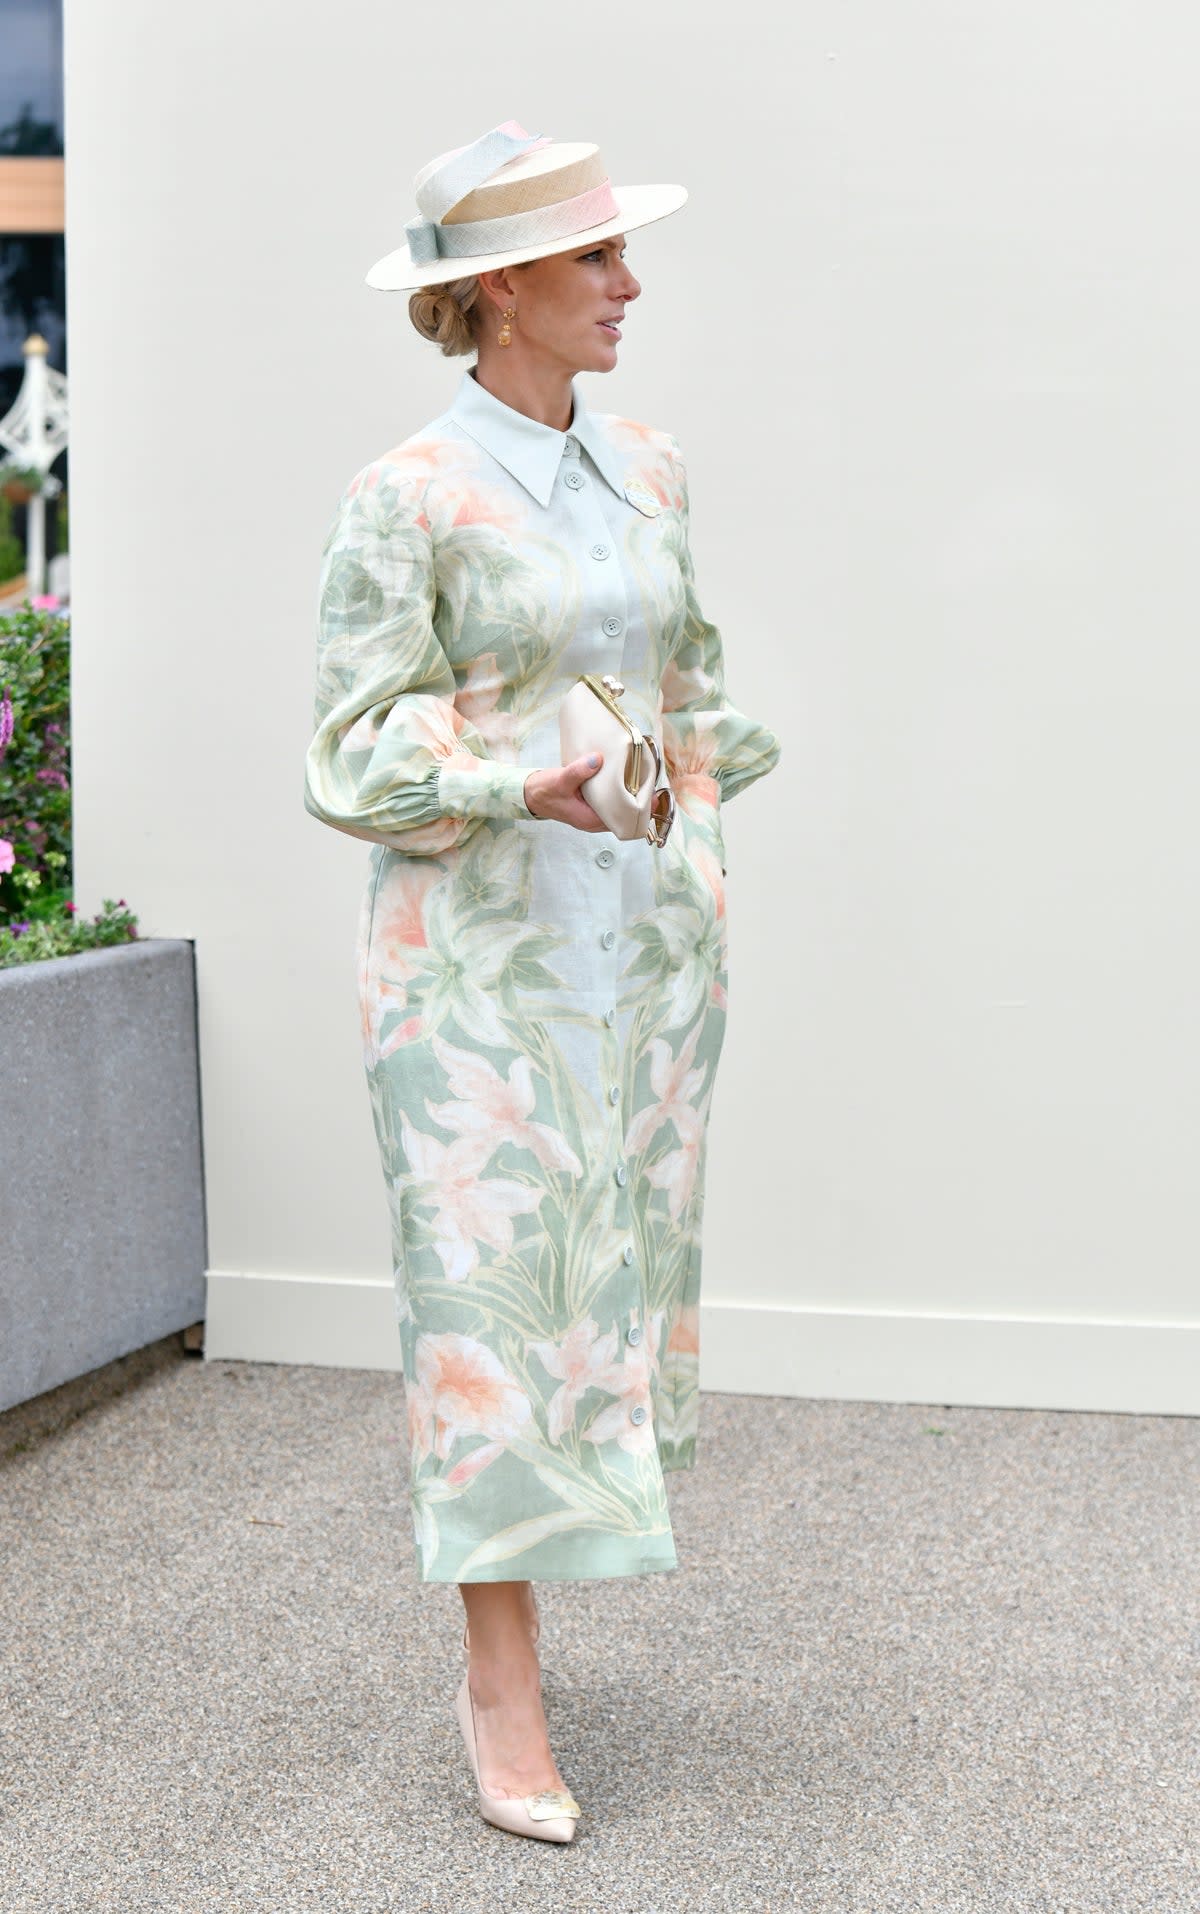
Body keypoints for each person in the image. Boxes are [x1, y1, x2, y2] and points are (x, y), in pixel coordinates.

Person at [303, 120, 782, 1844]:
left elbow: (696, 677)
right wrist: (529, 777)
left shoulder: (649, 465)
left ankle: (538, 1604)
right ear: (498, 288)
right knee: (488, 1312)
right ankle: (501, 1679)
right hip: (472, 980)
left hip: (644, 966)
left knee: (611, 1280)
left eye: (617, 254)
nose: (629, 284)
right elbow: (350, 753)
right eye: (596, 259)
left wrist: (703, 832)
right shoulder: (406, 497)